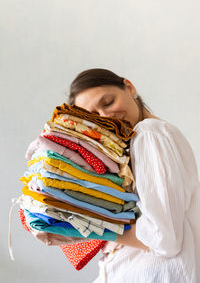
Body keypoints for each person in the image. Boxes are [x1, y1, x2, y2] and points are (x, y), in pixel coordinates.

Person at [68, 68, 200, 283]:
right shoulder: (142, 141)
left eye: (108, 102)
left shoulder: (149, 134)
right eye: (93, 117)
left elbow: (164, 239)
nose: (106, 117)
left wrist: (96, 229)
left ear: (129, 87)